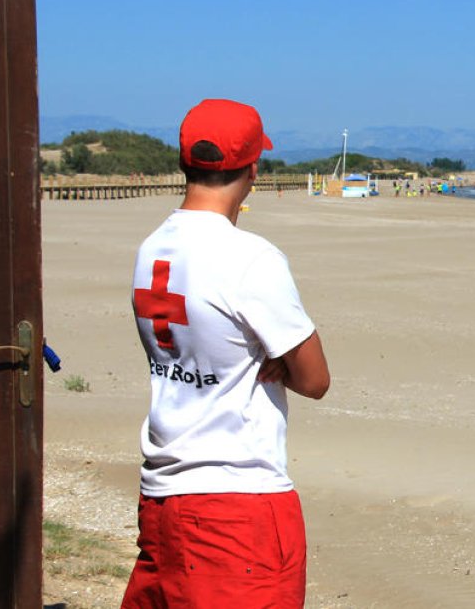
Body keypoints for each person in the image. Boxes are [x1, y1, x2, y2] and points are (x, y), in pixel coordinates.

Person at [123, 98, 330, 609]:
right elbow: (315, 379)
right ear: (253, 169)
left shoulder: (152, 249)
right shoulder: (250, 258)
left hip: (163, 495)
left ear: (183, 163)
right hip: (238, 503)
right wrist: (270, 357)